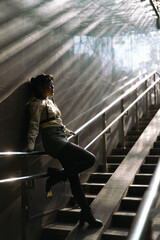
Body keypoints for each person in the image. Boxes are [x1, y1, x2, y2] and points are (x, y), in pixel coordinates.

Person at [26, 73, 102, 228]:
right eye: (50, 84)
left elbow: (56, 121)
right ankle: (58, 175)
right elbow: (34, 125)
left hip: (60, 138)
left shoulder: (49, 101)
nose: (53, 87)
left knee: (74, 178)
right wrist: (30, 144)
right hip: (54, 141)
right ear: (41, 87)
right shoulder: (36, 104)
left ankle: (86, 214)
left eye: (53, 84)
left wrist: (67, 132)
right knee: (90, 159)